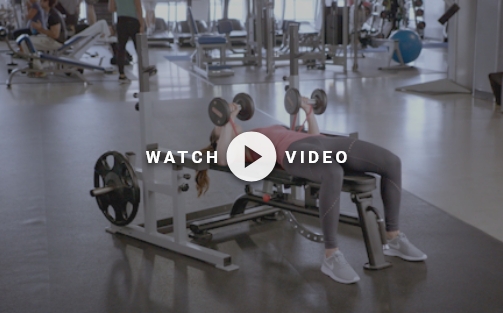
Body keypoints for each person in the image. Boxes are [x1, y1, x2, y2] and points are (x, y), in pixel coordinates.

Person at [195, 99, 427, 285]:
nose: (224, 120)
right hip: (293, 154)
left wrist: (309, 112)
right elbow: (224, 159)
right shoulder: (240, 146)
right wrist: (227, 123)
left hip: (325, 143)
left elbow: (310, 135)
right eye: (220, 123)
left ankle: (393, 238)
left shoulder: (262, 129)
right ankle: (331, 256)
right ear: (219, 137)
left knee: (392, 162)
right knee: (332, 173)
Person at [108, 0, 144, 83]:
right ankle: (143, 70)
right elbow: (138, 7)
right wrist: (141, 24)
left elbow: (111, 9)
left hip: (121, 21)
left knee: (121, 48)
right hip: (133, 21)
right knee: (138, 47)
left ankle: (122, 74)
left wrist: (122, 8)